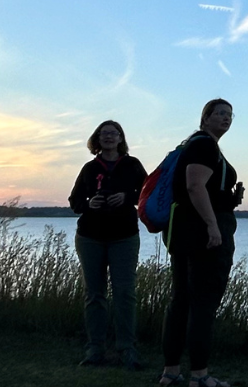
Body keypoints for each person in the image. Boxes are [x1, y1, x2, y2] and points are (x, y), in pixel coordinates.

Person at [161, 99, 246, 387]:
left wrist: (228, 198)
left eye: (230, 115)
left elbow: (202, 188)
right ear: (205, 117)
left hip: (185, 233)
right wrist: (212, 225)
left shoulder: (197, 145)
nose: (226, 118)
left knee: (182, 301)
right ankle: (199, 376)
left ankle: (171, 372)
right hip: (203, 236)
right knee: (202, 304)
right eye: (220, 113)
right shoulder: (204, 145)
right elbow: (194, 185)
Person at [69, 120, 149, 369]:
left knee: (125, 293)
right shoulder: (89, 168)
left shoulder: (132, 165)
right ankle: (95, 349)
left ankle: (127, 349)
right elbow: (74, 200)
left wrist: (127, 197)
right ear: (97, 139)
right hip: (90, 237)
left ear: (121, 138)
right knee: (95, 295)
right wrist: (88, 203)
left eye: (114, 133)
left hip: (124, 236)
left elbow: (147, 193)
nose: (109, 137)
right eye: (104, 133)